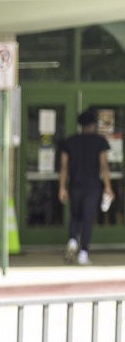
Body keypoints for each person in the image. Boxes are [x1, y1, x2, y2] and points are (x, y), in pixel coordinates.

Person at [59, 108, 115, 266]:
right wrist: (108, 187)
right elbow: (103, 166)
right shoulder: (99, 142)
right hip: (92, 186)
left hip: (75, 184)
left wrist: (62, 187)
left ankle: (72, 240)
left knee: (75, 215)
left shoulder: (69, 142)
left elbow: (64, 167)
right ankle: (83, 252)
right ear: (93, 124)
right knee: (88, 218)